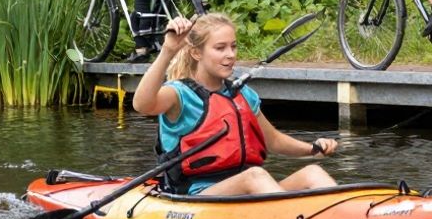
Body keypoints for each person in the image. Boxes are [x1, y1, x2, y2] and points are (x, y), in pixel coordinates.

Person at [132, 14, 337, 196]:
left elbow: (273, 141)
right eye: (220, 48)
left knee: (313, 172)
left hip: (246, 189)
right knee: (254, 176)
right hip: (197, 194)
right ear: (196, 53)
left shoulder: (243, 95)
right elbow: (142, 105)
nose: (230, 54)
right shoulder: (179, 94)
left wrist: (312, 149)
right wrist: (167, 51)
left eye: (233, 46)